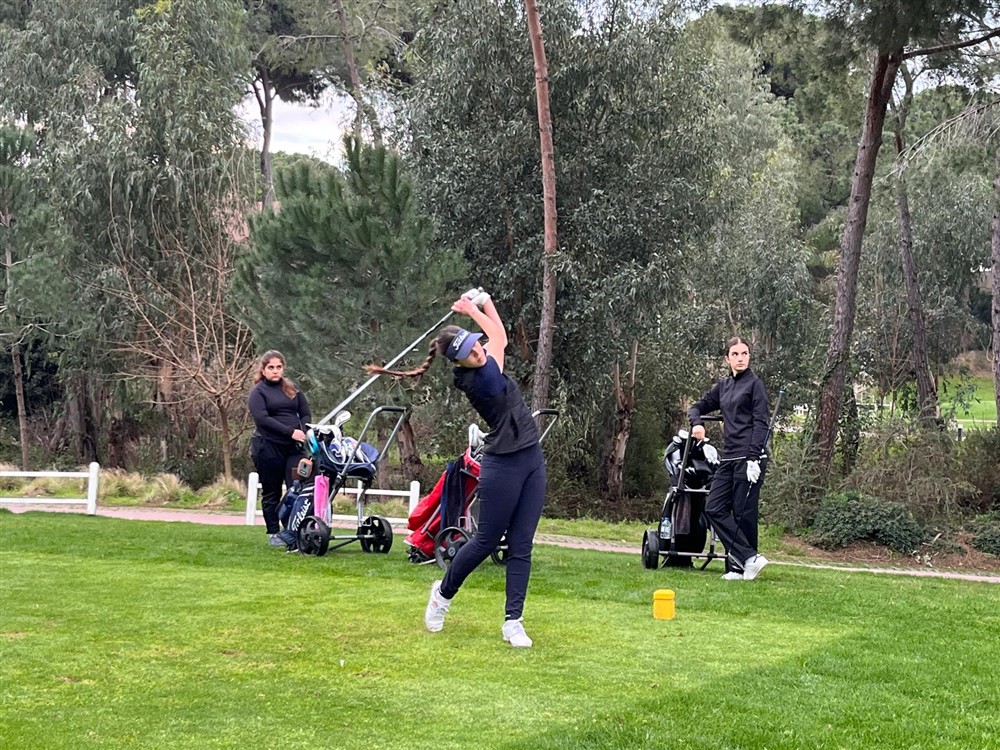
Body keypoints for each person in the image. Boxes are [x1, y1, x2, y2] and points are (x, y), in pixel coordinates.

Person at [365, 289, 546, 648]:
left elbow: (495, 339)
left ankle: (513, 622)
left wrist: (486, 301)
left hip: (530, 458)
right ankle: (442, 595)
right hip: (502, 464)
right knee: (485, 541)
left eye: (474, 345)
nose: (477, 351)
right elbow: (498, 337)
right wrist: (472, 309)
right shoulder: (481, 380)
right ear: (459, 363)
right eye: (468, 353)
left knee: (522, 544)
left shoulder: (482, 361)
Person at [687, 336, 770, 580]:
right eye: (735, 354)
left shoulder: (755, 385)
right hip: (729, 457)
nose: (740, 358)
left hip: (750, 457)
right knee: (713, 507)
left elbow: (761, 423)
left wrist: (753, 458)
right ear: (727, 358)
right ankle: (749, 558)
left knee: (744, 513)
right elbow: (696, 407)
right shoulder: (723, 387)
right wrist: (697, 424)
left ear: (749, 356)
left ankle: (738, 567)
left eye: (744, 353)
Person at [248, 350, 312, 548]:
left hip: (294, 448)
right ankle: (274, 533)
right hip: (268, 447)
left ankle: (294, 531)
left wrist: (303, 431)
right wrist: (290, 432)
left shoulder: (292, 389)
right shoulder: (258, 392)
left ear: (283, 368)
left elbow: (305, 413)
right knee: (272, 491)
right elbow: (262, 419)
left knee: (298, 488)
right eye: (271, 367)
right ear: (263, 370)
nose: (275, 371)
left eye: (279, 367)